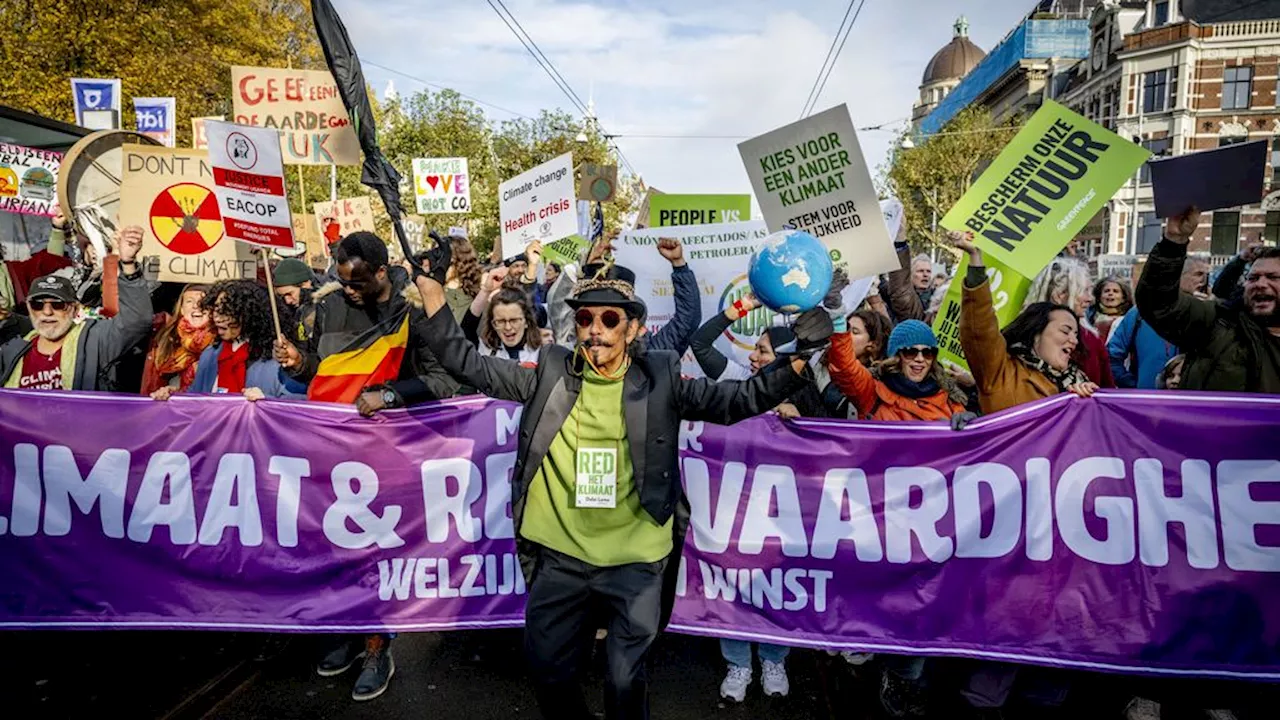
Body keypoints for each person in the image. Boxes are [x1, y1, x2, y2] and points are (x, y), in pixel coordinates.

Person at [409, 238, 831, 720]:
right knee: (548, 672)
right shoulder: (549, 372)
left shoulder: (662, 376)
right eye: (586, 319)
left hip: (636, 561)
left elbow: (738, 401)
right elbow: (469, 365)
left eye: (610, 319)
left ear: (632, 329)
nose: (595, 331)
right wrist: (437, 301)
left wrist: (801, 360)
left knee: (626, 681)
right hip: (560, 558)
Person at [273, 231, 458, 702]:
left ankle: (379, 646)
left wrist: (389, 396)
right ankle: (350, 633)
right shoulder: (330, 304)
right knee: (336, 549)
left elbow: (442, 379)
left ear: (381, 272)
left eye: (357, 283)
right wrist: (298, 363)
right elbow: (323, 369)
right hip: (330, 450)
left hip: (388, 454)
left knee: (376, 555)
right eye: (342, 281)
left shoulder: (414, 308)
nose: (349, 290)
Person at [1135, 208, 1280, 392]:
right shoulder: (1218, 322)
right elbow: (1158, 304)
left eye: (1272, 277)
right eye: (1253, 278)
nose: (1260, 284)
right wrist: (1173, 243)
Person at [955, 231, 1098, 415]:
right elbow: (979, 328)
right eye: (1065, 331)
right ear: (1036, 333)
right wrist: (975, 258)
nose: (1074, 340)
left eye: (1075, 334)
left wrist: (1086, 402)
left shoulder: (1078, 383)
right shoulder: (1000, 372)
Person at [1, 226, 149, 391]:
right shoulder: (12, 351)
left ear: (74, 308)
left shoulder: (95, 340)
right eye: (38, 304)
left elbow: (137, 321)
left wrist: (127, 264)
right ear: (28, 308)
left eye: (58, 305)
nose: (47, 312)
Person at [152, 280, 295, 401]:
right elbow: (196, 397)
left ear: (249, 314)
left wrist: (266, 401)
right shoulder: (210, 355)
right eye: (216, 308)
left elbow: (300, 406)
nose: (218, 316)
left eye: (227, 309)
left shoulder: (277, 358)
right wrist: (174, 395)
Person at [827, 318, 967, 423]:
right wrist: (838, 320)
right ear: (896, 357)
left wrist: (971, 427)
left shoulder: (949, 397)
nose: (920, 358)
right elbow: (844, 367)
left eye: (927, 353)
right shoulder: (872, 391)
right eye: (910, 352)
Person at [1107, 253, 1210, 389]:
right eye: (1198, 274)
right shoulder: (1140, 312)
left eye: (1206, 275)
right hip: (1146, 402)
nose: (1204, 280)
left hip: (1189, 403)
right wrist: (1132, 385)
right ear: (1178, 276)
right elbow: (1111, 357)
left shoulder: (1206, 313)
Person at [1023, 256, 1114, 388]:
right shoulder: (1020, 340)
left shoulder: (1091, 340)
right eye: (1084, 291)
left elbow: (1106, 390)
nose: (1090, 299)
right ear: (1059, 295)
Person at [139, 284, 213, 395]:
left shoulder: (223, 340)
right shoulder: (165, 338)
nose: (196, 306)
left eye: (203, 301)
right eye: (189, 301)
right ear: (182, 309)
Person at [462, 278, 542, 365]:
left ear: (526, 321)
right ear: (493, 324)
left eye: (514, 320)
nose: (508, 327)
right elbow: (466, 329)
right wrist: (485, 291)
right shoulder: (485, 353)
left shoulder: (541, 354)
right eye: (501, 321)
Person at [1089, 275, 1133, 340]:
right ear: (1099, 296)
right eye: (1107, 291)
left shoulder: (1131, 317)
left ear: (1123, 297)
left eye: (1115, 291)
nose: (1110, 294)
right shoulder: (1089, 316)